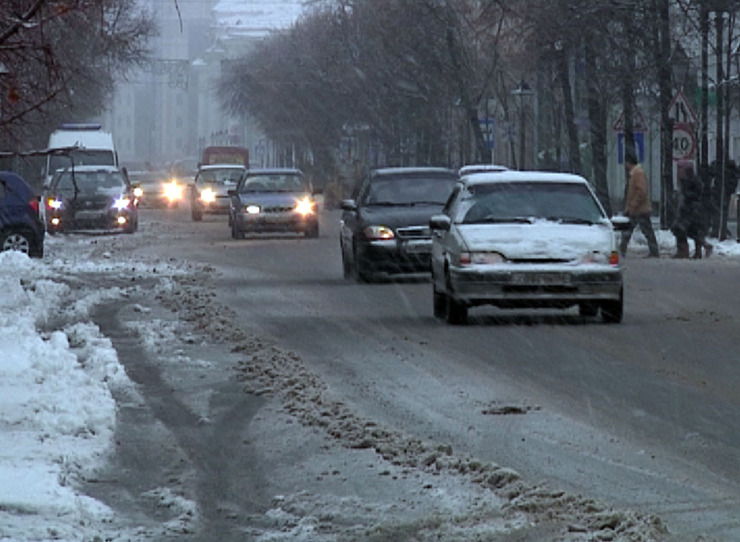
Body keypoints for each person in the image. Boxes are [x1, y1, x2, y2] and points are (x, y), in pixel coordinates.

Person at [619, 151, 660, 258]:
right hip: (638, 209)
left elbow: (641, 191)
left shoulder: (638, 173)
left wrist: (632, 205)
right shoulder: (635, 173)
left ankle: (622, 250)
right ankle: (653, 250)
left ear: (629, 162)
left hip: (639, 209)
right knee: (638, 230)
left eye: (626, 163)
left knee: (632, 230)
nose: (625, 165)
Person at [671, 160, 712, 259]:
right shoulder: (686, 181)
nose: (678, 172)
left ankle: (685, 251)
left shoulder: (692, 181)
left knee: (683, 229)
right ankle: (696, 249)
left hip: (692, 211)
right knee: (690, 231)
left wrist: (686, 198)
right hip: (688, 210)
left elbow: (695, 195)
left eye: (680, 170)